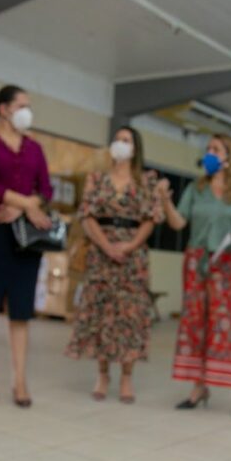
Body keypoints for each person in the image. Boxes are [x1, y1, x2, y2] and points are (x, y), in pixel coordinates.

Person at [157, 134, 231, 420]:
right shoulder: (197, 188)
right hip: (198, 262)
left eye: (215, 149)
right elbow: (178, 222)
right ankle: (199, 387)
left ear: (229, 156)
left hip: (229, 263)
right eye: (207, 149)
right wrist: (165, 201)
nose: (209, 153)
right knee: (196, 323)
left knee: (230, 326)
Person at [0, 85, 53, 408]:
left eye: (29, 106)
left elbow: (46, 188)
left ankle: (19, 380)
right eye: (21, 105)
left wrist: (22, 208)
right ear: (3, 109)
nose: (26, 112)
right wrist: (26, 203)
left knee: (20, 309)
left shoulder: (35, 148)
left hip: (24, 237)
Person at [66, 126, 161, 403]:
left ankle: (127, 377)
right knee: (102, 314)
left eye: (126, 140)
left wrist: (129, 246)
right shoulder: (97, 179)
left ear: (135, 148)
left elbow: (151, 219)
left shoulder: (146, 181)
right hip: (101, 254)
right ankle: (103, 374)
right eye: (117, 139)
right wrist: (107, 246)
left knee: (130, 315)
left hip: (133, 257)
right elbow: (87, 216)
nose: (120, 143)